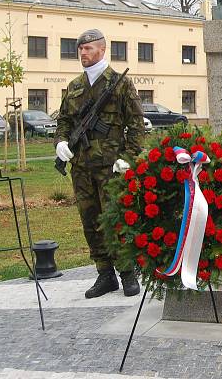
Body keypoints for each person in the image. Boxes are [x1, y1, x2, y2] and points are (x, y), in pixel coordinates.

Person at [54, 29, 145, 299]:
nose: (83, 53)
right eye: (80, 49)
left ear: (103, 50)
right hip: (81, 166)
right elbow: (64, 121)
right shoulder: (75, 87)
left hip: (111, 167)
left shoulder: (119, 83)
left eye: (89, 48)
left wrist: (127, 158)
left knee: (116, 220)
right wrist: (60, 142)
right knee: (90, 221)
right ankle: (105, 274)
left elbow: (137, 125)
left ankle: (128, 273)